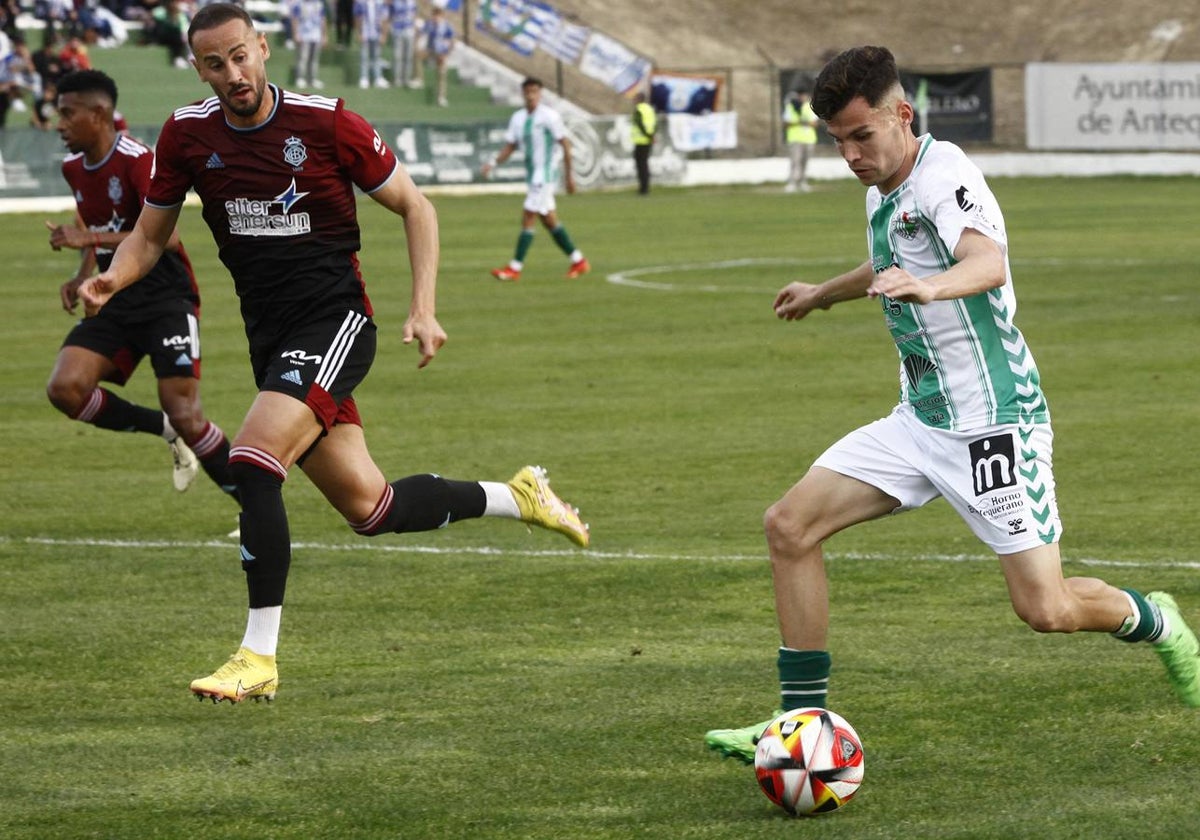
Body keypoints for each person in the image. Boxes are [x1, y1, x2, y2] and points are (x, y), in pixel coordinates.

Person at [77, 3, 590, 705]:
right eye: (215, 64)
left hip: (334, 323)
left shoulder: (325, 122)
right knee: (371, 508)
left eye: (241, 55)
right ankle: (518, 496)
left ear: (263, 48)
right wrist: (114, 274)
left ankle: (257, 657)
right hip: (272, 341)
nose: (233, 74)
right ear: (199, 69)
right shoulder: (188, 135)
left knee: (255, 463)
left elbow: (417, 206)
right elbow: (149, 235)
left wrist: (423, 307)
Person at [703, 45, 1200, 763]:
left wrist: (935, 287)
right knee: (789, 527)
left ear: (902, 114)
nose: (849, 154)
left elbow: (984, 258)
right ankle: (800, 722)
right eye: (837, 140)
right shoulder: (884, 187)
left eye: (860, 135)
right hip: (920, 420)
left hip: (993, 422)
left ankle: (1157, 619)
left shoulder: (948, 176)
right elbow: (890, 261)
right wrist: (823, 292)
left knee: (1047, 609)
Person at [45, 69, 238, 503]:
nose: (58, 124)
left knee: (187, 412)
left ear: (99, 114)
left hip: (165, 297)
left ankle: (255, 508)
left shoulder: (136, 158)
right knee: (65, 388)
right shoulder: (73, 168)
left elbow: (166, 237)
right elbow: (97, 226)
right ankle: (164, 430)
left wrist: (89, 238)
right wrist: (82, 273)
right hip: (115, 296)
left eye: (66, 114)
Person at [482, 77, 589, 282]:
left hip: (545, 175)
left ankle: (515, 267)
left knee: (529, 215)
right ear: (523, 93)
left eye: (535, 91)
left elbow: (565, 144)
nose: (531, 95)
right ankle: (578, 260)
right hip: (533, 176)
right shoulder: (518, 118)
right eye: (527, 91)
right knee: (549, 220)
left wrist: (569, 176)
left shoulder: (550, 116)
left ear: (540, 94)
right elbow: (510, 146)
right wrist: (493, 163)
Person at [782, 87, 818, 192]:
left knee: (804, 161)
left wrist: (805, 122)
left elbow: (814, 123)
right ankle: (792, 182)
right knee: (795, 161)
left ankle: (803, 181)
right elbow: (786, 123)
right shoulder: (790, 107)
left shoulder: (809, 107)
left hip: (808, 139)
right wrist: (798, 122)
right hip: (795, 139)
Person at [418, 3, 452, 106]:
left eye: (438, 15)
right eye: (434, 15)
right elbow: (422, 33)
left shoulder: (446, 26)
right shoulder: (429, 24)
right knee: (417, 57)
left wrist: (446, 53)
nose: (436, 17)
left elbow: (450, 40)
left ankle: (441, 97)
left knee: (441, 74)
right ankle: (419, 78)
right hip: (431, 50)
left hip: (441, 52)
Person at [289, 0, 328, 89]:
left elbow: (323, 20)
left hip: (316, 34)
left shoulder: (318, 4)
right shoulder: (299, 4)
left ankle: (312, 79)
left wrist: (324, 35)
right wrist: (296, 33)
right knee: (303, 58)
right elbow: (295, 19)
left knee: (314, 59)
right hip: (304, 34)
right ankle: (300, 78)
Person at [353, 0, 388, 89]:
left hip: (376, 32)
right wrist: (359, 32)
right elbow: (357, 17)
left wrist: (384, 34)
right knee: (364, 56)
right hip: (365, 32)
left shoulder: (380, 2)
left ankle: (378, 77)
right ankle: (364, 77)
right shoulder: (360, 2)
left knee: (376, 56)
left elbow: (384, 18)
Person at [630, 91, 656, 195]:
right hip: (648, 140)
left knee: (641, 165)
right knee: (645, 164)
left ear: (639, 99)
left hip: (641, 141)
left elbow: (640, 125)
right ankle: (645, 187)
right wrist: (652, 136)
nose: (633, 101)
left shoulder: (639, 110)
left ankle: (643, 188)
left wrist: (648, 136)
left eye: (635, 98)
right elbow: (654, 123)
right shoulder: (650, 109)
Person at [387, 0, 417, 88]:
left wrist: (414, 28)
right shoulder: (395, 2)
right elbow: (390, 15)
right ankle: (397, 79)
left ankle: (406, 79)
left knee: (408, 56)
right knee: (397, 56)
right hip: (397, 30)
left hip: (409, 30)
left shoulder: (412, 2)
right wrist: (391, 27)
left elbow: (414, 15)